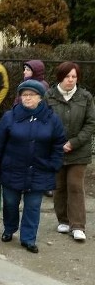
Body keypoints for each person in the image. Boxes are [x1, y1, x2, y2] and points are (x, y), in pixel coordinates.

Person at [0, 80, 65, 252]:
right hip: (12, 169)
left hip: (39, 171)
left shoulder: (51, 119)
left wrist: (54, 164)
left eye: (31, 95)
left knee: (33, 206)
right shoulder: (10, 116)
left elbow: (59, 144)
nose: (27, 98)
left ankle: (28, 238)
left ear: (40, 98)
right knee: (10, 203)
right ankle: (9, 228)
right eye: (24, 95)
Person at [45, 62, 95, 242]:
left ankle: (78, 226)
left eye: (74, 77)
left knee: (75, 186)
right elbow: (45, 120)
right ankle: (63, 220)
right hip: (56, 150)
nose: (71, 80)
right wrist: (57, 143)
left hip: (78, 151)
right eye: (67, 77)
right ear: (60, 77)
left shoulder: (85, 97)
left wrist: (73, 142)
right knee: (59, 186)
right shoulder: (49, 96)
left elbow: (90, 123)